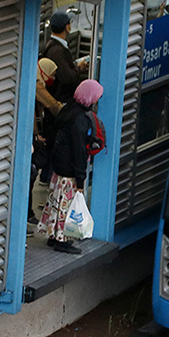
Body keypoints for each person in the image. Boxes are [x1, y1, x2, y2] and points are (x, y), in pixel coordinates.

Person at [38, 79, 101, 254]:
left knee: (56, 202)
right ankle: (62, 239)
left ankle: (52, 235)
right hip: (69, 170)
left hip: (59, 166)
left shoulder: (69, 109)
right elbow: (78, 149)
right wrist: (81, 177)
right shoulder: (80, 118)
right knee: (67, 205)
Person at [30, 57, 63, 223]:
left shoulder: (38, 81)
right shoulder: (36, 85)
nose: (54, 79)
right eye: (53, 74)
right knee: (29, 174)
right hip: (30, 137)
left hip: (33, 135)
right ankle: (28, 213)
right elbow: (53, 105)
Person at [41, 11, 82, 105]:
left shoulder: (51, 45)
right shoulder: (57, 51)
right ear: (67, 27)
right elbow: (67, 77)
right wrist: (79, 67)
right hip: (61, 99)